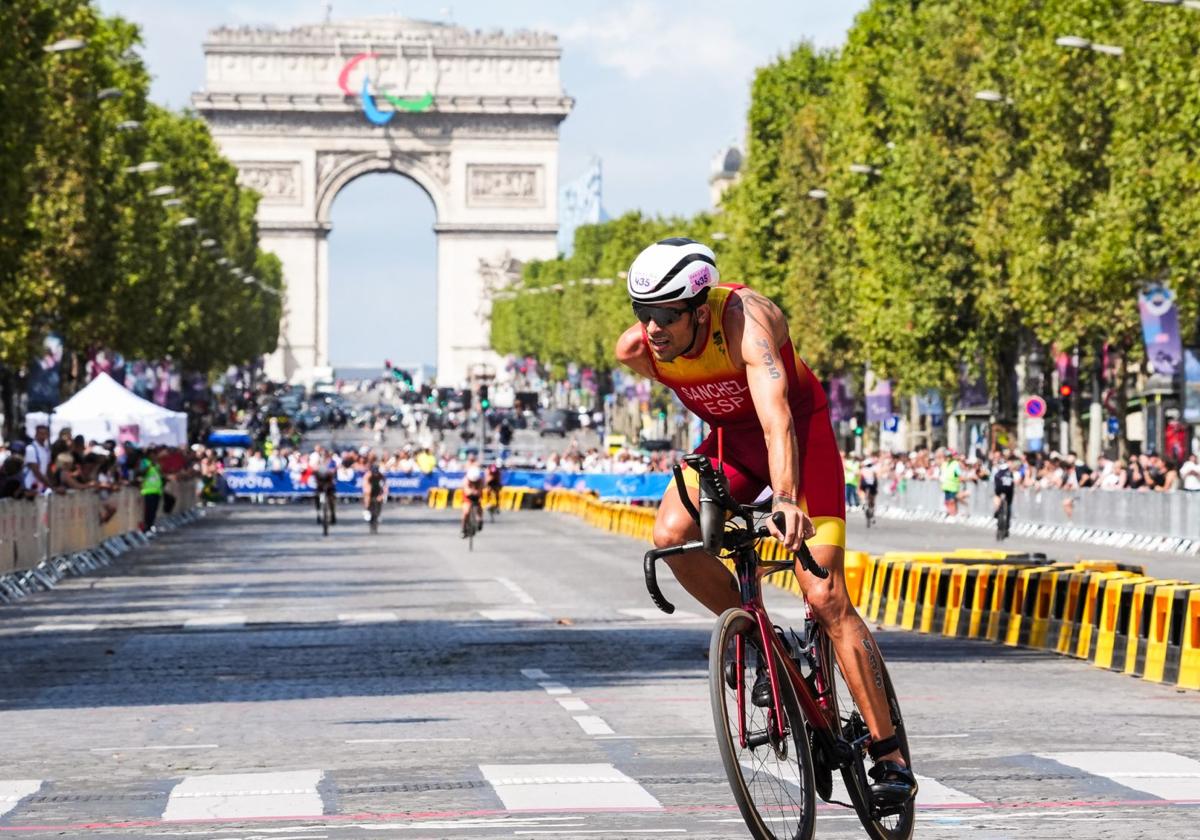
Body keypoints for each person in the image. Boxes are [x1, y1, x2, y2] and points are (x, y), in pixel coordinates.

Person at [613, 237, 915, 806]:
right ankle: (754, 638)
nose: (653, 329)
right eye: (643, 313)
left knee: (826, 600)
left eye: (666, 316)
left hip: (800, 442)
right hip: (729, 447)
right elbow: (691, 384)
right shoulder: (639, 350)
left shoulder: (748, 322)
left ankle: (889, 754)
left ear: (701, 309)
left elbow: (777, 420)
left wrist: (787, 498)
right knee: (670, 536)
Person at [460, 454, 486, 537]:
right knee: (466, 512)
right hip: (467, 497)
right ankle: (463, 528)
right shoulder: (466, 480)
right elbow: (467, 491)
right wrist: (471, 491)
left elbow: (481, 489)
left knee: (479, 507)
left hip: (477, 495)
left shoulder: (480, 480)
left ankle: (480, 520)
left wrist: (477, 491)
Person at [23, 425, 51, 494]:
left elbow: (46, 470)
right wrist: (50, 485)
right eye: (41, 433)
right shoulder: (31, 449)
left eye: (45, 434)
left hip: (41, 487)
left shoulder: (47, 450)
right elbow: (36, 471)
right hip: (29, 486)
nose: (43, 436)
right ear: (36, 434)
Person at [993, 456, 1015, 530]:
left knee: (996, 496)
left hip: (1000, 489)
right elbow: (1012, 483)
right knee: (1009, 503)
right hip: (1009, 490)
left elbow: (996, 485)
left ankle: (997, 510)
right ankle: (1007, 518)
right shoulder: (1010, 473)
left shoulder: (998, 473)